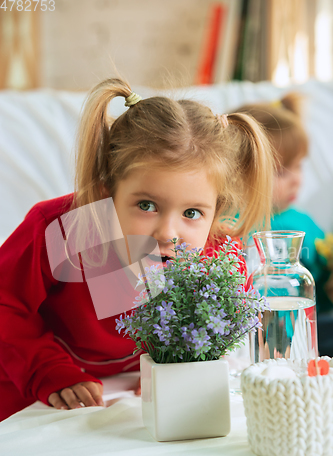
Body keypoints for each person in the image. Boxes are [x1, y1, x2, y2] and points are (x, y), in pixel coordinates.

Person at [0, 77, 274, 421]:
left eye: (192, 213)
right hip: (36, 383)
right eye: (146, 205)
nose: (167, 233)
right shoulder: (63, 229)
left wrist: (180, 365)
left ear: (216, 213)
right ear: (106, 194)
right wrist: (47, 370)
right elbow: (6, 303)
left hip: (139, 393)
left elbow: (234, 331)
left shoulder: (219, 256)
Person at [232, 94, 333, 354]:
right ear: (236, 173)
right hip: (254, 341)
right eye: (281, 172)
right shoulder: (229, 226)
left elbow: (323, 283)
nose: (297, 180)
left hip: (311, 333)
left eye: (299, 167)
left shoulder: (302, 223)